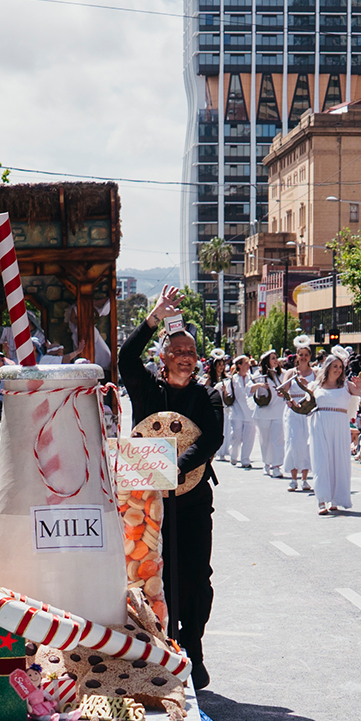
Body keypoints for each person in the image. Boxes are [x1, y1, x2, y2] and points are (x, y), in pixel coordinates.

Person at [119, 289, 224, 688]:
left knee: (196, 577)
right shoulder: (146, 389)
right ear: (163, 357)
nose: (185, 356)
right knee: (145, 578)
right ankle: (153, 648)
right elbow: (126, 358)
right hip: (144, 505)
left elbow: (209, 439)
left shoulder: (208, 396)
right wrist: (153, 319)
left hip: (192, 501)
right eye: (177, 349)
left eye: (192, 352)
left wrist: (170, 470)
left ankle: (192, 649)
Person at [308, 353, 361, 515]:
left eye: (340, 367)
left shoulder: (346, 386)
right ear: (327, 368)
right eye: (335, 366)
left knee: (338, 461)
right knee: (321, 460)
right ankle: (321, 500)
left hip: (340, 425)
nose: (338, 370)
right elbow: (303, 405)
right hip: (319, 424)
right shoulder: (315, 386)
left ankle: (336, 499)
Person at [281, 343, 317, 493]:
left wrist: (307, 384)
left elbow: (318, 389)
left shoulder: (315, 373)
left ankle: (305, 479)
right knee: (293, 442)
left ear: (310, 357)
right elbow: (283, 390)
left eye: (306, 355)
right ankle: (293, 478)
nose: (303, 358)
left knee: (307, 443)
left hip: (309, 410)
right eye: (300, 355)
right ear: (297, 356)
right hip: (293, 410)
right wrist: (288, 397)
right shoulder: (291, 372)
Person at [251, 350, 286, 477]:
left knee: (277, 440)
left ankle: (276, 466)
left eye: (276, 358)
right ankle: (266, 463)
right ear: (266, 361)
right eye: (273, 358)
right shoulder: (258, 374)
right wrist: (260, 385)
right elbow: (248, 389)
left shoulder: (281, 375)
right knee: (265, 440)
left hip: (278, 412)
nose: (276, 360)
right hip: (264, 413)